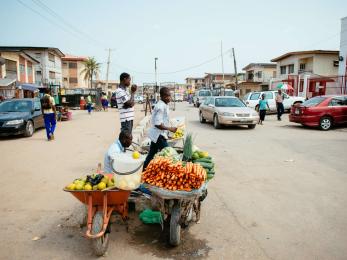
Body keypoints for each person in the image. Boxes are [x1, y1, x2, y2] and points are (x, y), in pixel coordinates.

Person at [143, 87, 177, 169]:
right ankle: (172, 172)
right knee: (170, 154)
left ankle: (144, 169)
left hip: (158, 134)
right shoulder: (161, 107)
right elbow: (158, 124)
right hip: (159, 135)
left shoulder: (164, 105)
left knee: (152, 153)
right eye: (168, 96)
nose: (170, 98)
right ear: (163, 96)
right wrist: (170, 129)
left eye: (170, 95)